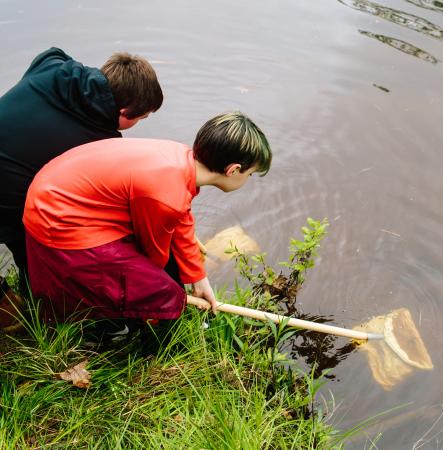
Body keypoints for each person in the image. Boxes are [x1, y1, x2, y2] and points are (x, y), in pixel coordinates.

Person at [22, 112, 272, 333]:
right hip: (57, 219)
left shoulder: (179, 156)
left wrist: (198, 278)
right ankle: (116, 329)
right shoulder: (166, 194)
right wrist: (163, 291)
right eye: (250, 174)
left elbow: (181, 219)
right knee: (165, 293)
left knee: (165, 279)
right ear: (233, 169)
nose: (247, 179)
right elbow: (154, 255)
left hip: (51, 191)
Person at [0, 47, 163, 290]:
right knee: (29, 243)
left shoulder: (52, 65)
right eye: (141, 118)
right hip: (6, 201)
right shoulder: (99, 144)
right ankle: (33, 303)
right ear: (124, 114)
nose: (138, 124)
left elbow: (55, 52)